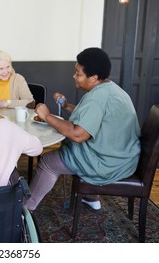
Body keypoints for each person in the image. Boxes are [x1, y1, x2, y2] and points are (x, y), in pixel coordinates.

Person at [24, 47, 141, 211]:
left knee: (48, 162)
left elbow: (78, 134)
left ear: (93, 77)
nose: (74, 76)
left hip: (108, 163)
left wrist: (47, 116)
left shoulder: (96, 99)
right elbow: (92, 119)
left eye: (78, 73)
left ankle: (25, 209)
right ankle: (91, 198)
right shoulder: (111, 88)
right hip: (124, 157)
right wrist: (65, 106)